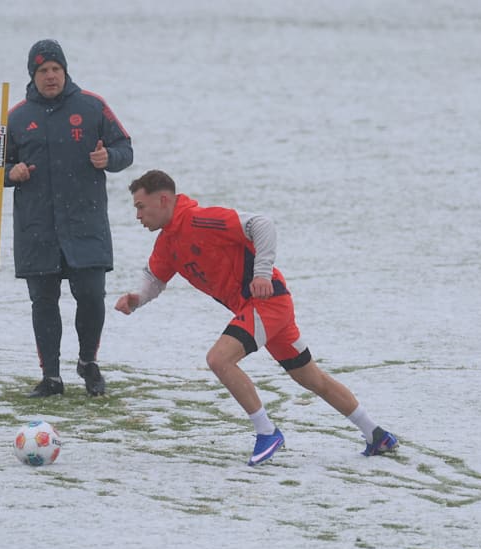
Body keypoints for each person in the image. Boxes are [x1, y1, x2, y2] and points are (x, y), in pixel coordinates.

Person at [114, 170, 399, 466]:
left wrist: (262, 273)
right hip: (262, 309)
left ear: (163, 200)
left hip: (267, 303)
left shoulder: (201, 219)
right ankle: (377, 435)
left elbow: (261, 224)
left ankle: (267, 432)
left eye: (140, 206)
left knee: (219, 359)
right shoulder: (167, 243)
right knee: (311, 378)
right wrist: (137, 298)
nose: (137, 215)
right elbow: (155, 277)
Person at [0, 39, 133, 398]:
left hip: (86, 225)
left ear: (65, 72)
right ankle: (51, 377)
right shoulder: (17, 117)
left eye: (55, 69)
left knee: (91, 296)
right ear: (33, 76)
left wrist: (108, 159)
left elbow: (125, 148)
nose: (50, 76)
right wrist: (11, 172)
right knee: (44, 302)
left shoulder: (92, 106)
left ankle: (88, 362)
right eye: (43, 71)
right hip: (38, 230)